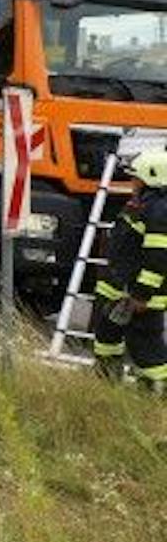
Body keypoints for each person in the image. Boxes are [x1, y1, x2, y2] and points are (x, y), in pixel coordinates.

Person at [90, 148, 167, 387]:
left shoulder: (159, 212)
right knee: (106, 339)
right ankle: (107, 386)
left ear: (150, 178)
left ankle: (158, 394)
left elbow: (157, 258)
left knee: (145, 349)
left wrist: (141, 295)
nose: (132, 182)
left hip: (138, 298)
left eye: (136, 178)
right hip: (115, 291)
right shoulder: (142, 205)